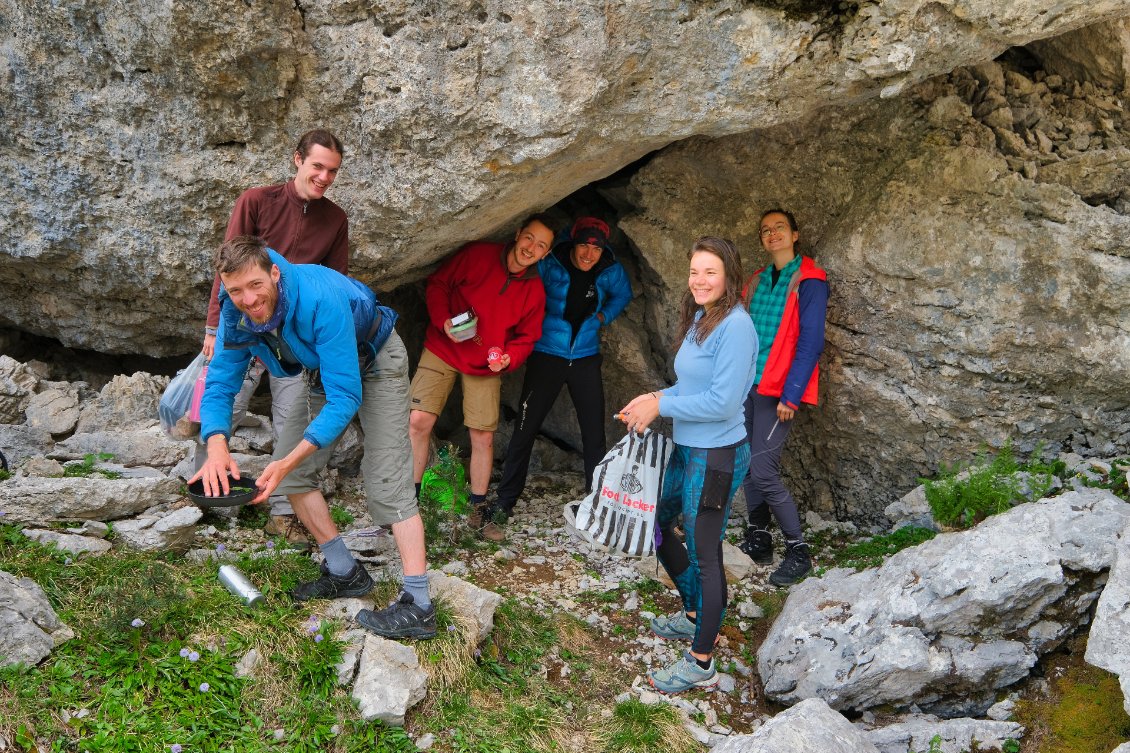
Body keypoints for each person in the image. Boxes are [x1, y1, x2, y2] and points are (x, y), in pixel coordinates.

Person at [193, 236, 435, 640]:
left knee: (388, 480)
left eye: (255, 286)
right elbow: (220, 380)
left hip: (374, 360)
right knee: (290, 478)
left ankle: (419, 603)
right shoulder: (236, 309)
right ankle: (344, 571)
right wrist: (216, 443)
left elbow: (345, 398)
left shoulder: (319, 299)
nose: (249, 299)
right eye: (235, 291)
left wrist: (287, 458)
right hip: (321, 367)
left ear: (274, 272)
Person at [618, 237, 757, 694]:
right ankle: (695, 611)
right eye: (695, 271)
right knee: (656, 519)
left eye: (710, 272)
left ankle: (701, 660)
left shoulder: (736, 327)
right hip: (687, 447)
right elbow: (689, 384)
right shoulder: (702, 316)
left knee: (706, 553)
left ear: (729, 277)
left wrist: (661, 407)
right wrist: (654, 398)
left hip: (716, 455)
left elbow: (722, 402)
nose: (699, 281)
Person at [199, 129, 349, 546]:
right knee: (225, 398)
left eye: (332, 171)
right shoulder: (257, 201)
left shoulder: (335, 219)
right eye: (317, 166)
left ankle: (283, 511)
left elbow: (336, 280)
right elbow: (228, 269)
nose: (324, 177)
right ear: (297, 159)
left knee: (291, 414)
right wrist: (214, 327)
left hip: (293, 334)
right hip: (245, 319)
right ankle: (209, 490)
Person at [408, 214, 557, 532]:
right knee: (419, 421)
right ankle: (408, 501)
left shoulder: (534, 290)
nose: (531, 248)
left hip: (485, 362)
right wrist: (444, 320)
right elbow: (438, 284)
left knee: (483, 436)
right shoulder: (478, 255)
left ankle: (477, 508)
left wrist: (508, 359)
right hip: (444, 346)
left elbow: (527, 338)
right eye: (529, 238)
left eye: (541, 245)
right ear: (518, 234)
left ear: (546, 254)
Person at [487, 217, 633, 540]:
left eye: (596, 247)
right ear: (573, 243)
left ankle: (597, 504)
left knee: (593, 433)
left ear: (603, 249)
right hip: (546, 353)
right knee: (525, 428)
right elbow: (521, 283)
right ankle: (504, 502)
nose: (589, 253)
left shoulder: (610, 269)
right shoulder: (550, 263)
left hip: (584, 357)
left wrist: (603, 315)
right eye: (584, 245)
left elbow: (623, 294)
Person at [738, 209, 828, 587]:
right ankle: (758, 539)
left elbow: (810, 340)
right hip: (745, 384)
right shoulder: (756, 280)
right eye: (765, 230)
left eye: (779, 228)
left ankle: (798, 551)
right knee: (745, 462)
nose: (772, 234)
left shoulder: (810, 278)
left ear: (795, 233)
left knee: (763, 469)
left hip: (779, 390)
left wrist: (792, 395)